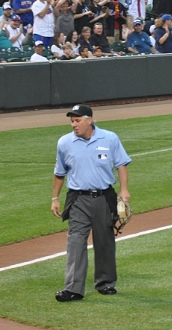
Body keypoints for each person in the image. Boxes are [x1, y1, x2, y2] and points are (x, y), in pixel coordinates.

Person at [51, 104, 131, 302]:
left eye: (77, 120)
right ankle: (73, 289)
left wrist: (123, 190)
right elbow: (59, 173)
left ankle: (105, 283)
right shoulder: (64, 143)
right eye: (72, 121)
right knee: (76, 241)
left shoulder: (109, 138)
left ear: (90, 119)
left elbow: (121, 164)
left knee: (104, 241)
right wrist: (55, 198)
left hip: (104, 198)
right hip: (78, 199)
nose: (74, 125)